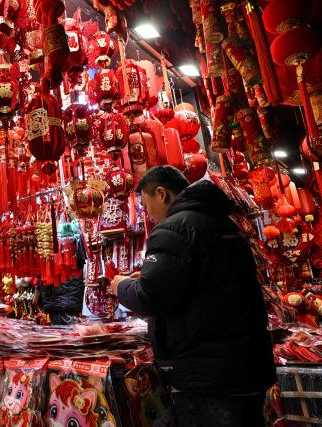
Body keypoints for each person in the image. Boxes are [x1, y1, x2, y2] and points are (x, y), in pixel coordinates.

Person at [110, 165, 275, 427]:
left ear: (162, 194)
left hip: (208, 377)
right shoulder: (224, 223)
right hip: (246, 365)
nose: (147, 214)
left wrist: (120, 286)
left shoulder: (174, 228)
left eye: (146, 204)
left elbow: (150, 296)